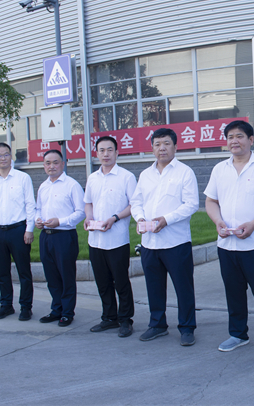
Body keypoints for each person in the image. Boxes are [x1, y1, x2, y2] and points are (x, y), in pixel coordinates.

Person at [204, 120, 254, 354]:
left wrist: (253, 224)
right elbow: (210, 200)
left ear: (251, 140)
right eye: (230, 137)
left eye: (239, 136)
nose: (234, 141)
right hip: (227, 245)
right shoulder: (220, 169)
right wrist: (217, 221)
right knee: (233, 292)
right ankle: (237, 334)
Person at [130, 128, 199, 346]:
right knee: (154, 286)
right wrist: (140, 218)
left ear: (175, 147)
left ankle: (187, 327)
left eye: (167, 143)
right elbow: (136, 202)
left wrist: (166, 220)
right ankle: (157, 324)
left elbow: (191, 204)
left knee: (183, 287)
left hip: (176, 242)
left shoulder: (185, 172)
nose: (162, 148)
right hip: (149, 243)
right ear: (152, 148)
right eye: (157, 144)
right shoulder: (145, 175)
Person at [84, 136, 138, 337]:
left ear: (117, 152)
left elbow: (134, 205)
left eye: (109, 150)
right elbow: (88, 202)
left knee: (121, 281)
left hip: (117, 240)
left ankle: (125, 319)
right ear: (96, 153)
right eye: (101, 150)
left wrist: (115, 218)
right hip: (95, 240)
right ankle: (109, 317)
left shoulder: (126, 177)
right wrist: (88, 218)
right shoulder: (92, 178)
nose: (105, 154)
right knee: (102, 282)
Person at [0, 143, 37, 320]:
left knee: (24, 271)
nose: (3, 158)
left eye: (6, 154)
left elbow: (30, 205)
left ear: (10, 156)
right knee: (2, 271)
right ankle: (6, 305)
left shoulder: (22, 178)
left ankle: (26, 307)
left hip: (18, 230)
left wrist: (29, 229)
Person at [35, 150, 85, 327]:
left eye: (55, 162)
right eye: (48, 163)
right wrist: (38, 220)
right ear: (44, 165)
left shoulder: (72, 185)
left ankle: (67, 312)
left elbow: (81, 212)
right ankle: (56, 309)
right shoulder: (43, 186)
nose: (51, 166)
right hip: (46, 236)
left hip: (64, 236)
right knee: (51, 275)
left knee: (66, 275)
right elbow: (38, 208)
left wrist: (60, 222)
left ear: (63, 164)